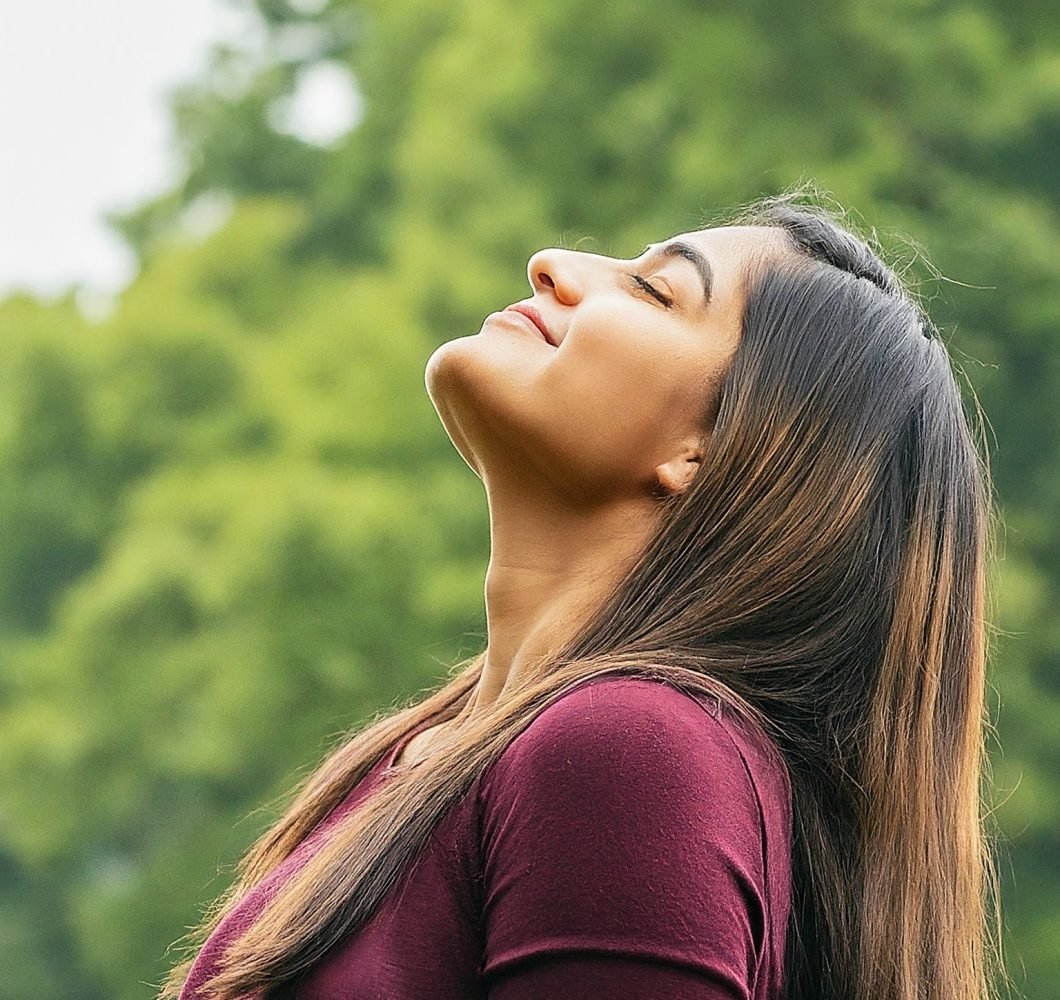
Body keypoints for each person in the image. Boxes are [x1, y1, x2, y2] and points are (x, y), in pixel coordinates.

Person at [162, 189, 1004, 1000]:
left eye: (653, 290)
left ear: (713, 451)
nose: (551, 264)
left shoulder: (630, 757)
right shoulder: (418, 753)